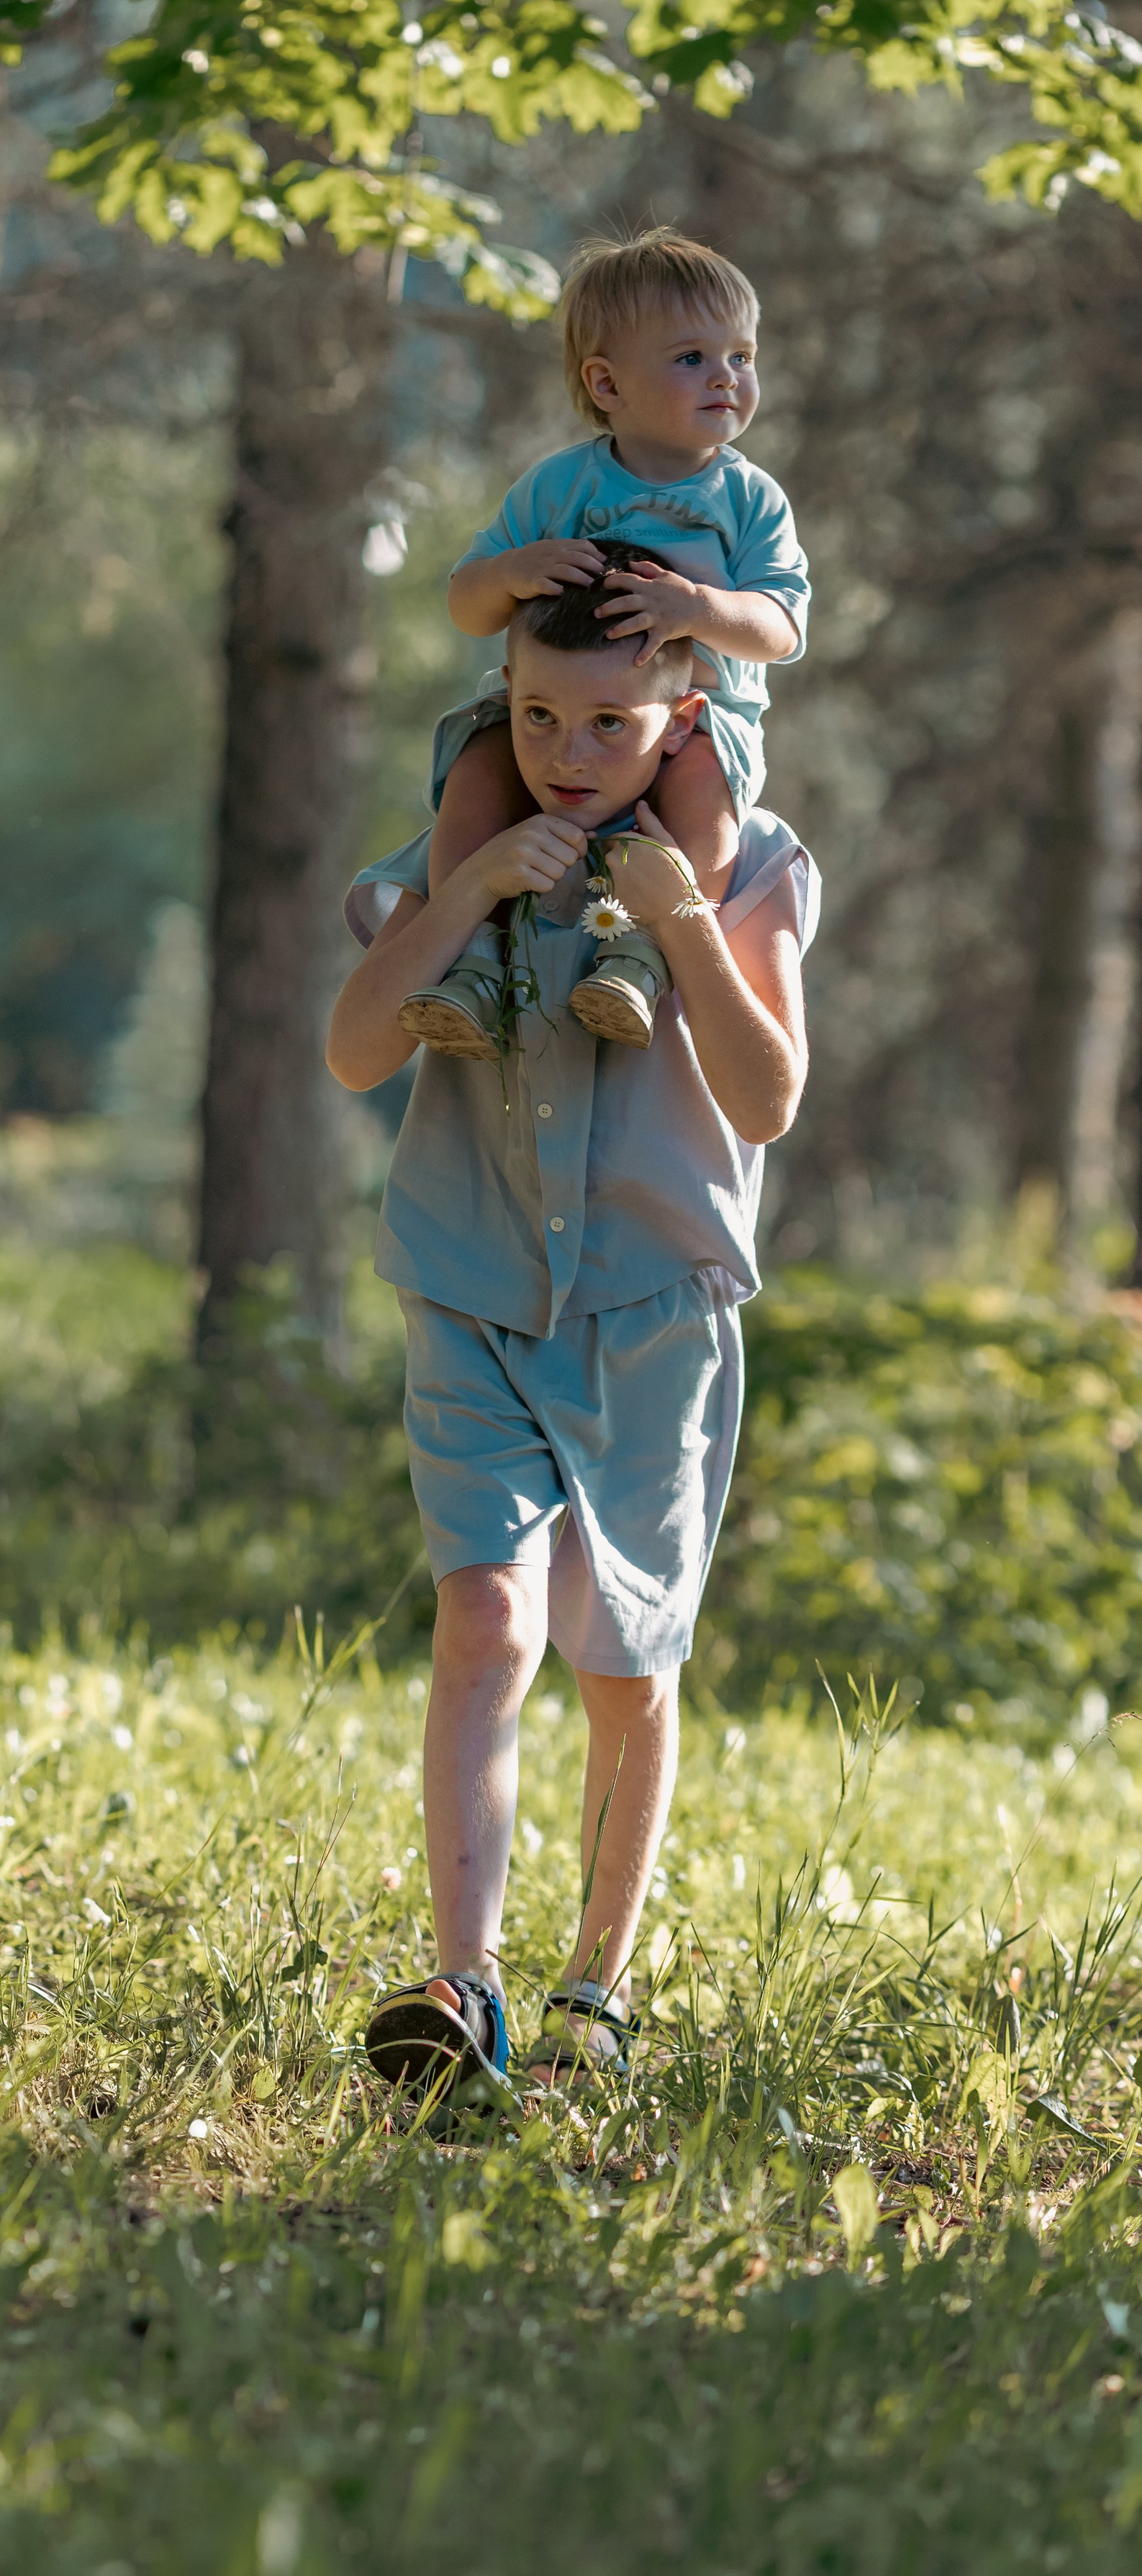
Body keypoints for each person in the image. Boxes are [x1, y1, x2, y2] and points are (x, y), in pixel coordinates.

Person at [327, 560, 817, 2106]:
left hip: (644, 1318)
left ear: (682, 719)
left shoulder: (747, 870)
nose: (565, 749)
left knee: (622, 1665)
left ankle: (588, 1989)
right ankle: (457, 1983)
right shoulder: (465, 852)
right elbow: (352, 1054)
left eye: (607, 721)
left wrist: (676, 929)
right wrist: (465, 889)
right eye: (535, 714)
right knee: (483, 1620)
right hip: (468, 1289)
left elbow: (764, 1099)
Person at [403, 225, 809, 1059]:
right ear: (605, 383)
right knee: (478, 764)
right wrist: (518, 567)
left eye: (742, 355)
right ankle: (471, 957)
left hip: (691, 722)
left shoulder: (749, 500)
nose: (726, 378)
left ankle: (640, 958)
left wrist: (697, 607)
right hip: (555, 712)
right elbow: (466, 605)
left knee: (705, 802)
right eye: (693, 357)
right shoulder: (558, 486)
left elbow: (780, 631)